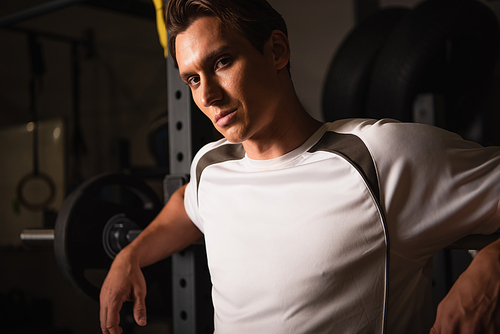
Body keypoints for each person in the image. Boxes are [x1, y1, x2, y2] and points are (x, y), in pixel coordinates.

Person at [99, 0, 500, 333]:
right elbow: (188, 205)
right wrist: (130, 255)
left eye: (222, 62)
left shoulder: (378, 157)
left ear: (276, 51)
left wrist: (488, 275)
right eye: (192, 79)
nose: (208, 95)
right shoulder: (211, 166)